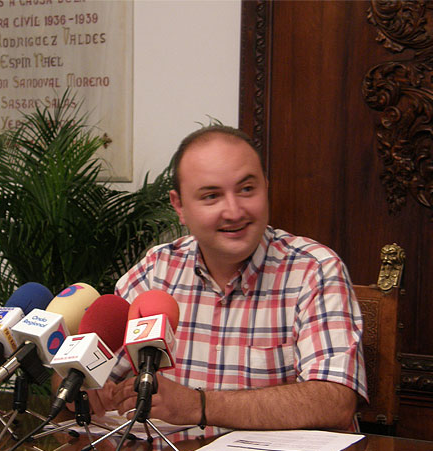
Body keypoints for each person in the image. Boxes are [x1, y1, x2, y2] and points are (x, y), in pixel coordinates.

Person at [82, 125, 367, 431]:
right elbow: (91, 374)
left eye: (247, 190)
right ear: (179, 206)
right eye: (211, 196)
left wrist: (197, 405)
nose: (234, 211)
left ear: (266, 187)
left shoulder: (314, 269)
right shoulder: (157, 270)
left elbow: (335, 401)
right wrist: (81, 385)